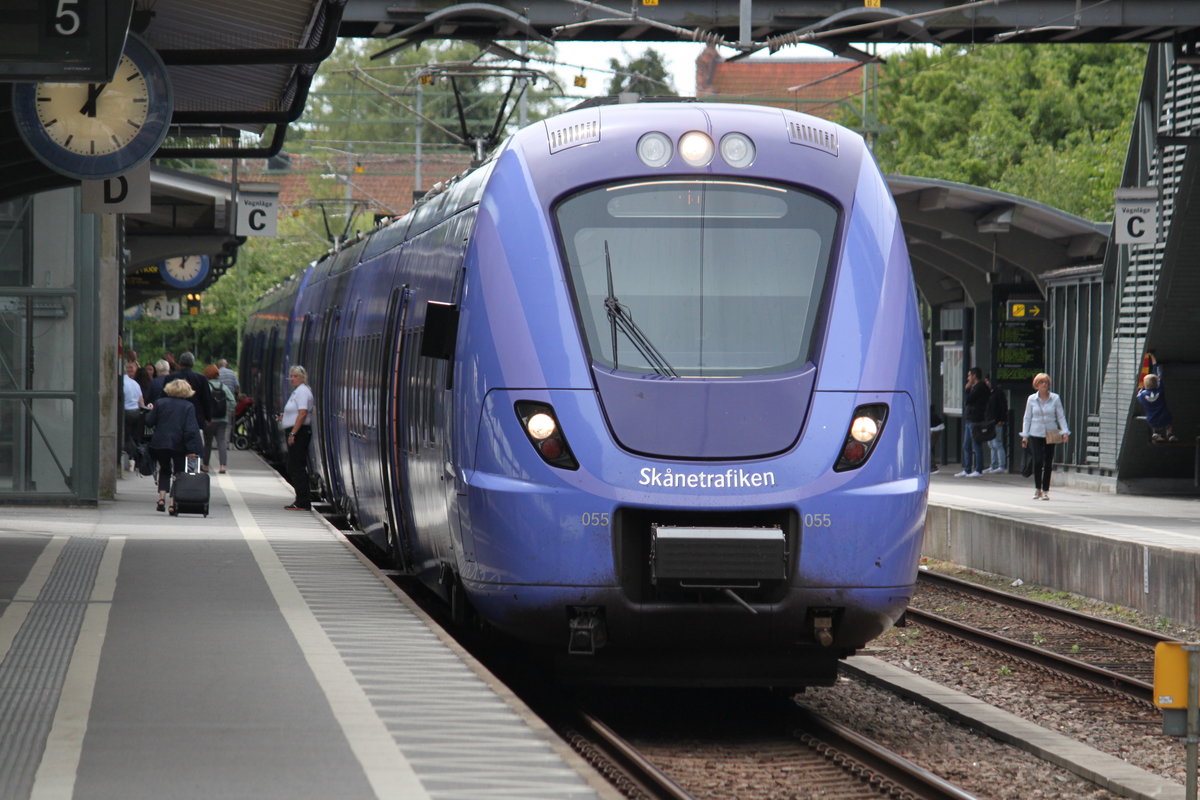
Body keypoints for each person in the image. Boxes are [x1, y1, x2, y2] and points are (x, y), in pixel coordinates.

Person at [145, 379, 204, 513]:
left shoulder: (160, 403)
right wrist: (191, 449)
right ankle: (172, 503)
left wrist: (150, 411)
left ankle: (161, 499)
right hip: (179, 444)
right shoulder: (188, 406)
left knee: (165, 470)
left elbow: (149, 422)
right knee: (178, 473)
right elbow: (190, 430)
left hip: (160, 443)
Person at [1020, 372, 1070, 501]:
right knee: (1037, 461)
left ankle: (1046, 490)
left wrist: (1065, 431)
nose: (1044, 385)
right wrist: (1025, 435)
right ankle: (1038, 489)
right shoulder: (1031, 399)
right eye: (1041, 383)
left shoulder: (1055, 398)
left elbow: (1060, 415)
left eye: (1046, 383)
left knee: (1048, 461)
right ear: (1036, 385)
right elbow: (1027, 417)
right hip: (1036, 433)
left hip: (1050, 433)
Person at [281, 365, 314, 510]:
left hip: (299, 433)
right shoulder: (298, 391)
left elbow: (303, 413)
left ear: (302, 377)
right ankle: (301, 499)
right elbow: (297, 412)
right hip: (297, 432)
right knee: (293, 466)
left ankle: (303, 501)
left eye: (295, 376)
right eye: (291, 376)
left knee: (296, 467)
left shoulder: (302, 392)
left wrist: (293, 433)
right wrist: (285, 416)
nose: (291, 379)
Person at [165, 351, 214, 429]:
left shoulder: (170, 377)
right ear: (193, 364)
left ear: (180, 363)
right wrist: (208, 417)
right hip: (196, 416)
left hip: (175, 416)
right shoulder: (201, 379)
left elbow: (164, 396)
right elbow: (206, 399)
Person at [1136, 353, 1177, 442]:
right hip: (1164, 416)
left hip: (1152, 419)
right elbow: (1157, 373)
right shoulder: (1160, 390)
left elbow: (1138, 393)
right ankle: (1170, 434)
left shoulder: (1142, 395)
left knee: (1153, 424)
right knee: (1169, 423)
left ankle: (1155, 434)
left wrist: (1142, 387)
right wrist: (1152, 356)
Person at [956, 367, 989, 477]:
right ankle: (967, 468)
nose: (968, 378)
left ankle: (978, 469)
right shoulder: (976, 387)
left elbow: (968, 400)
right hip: (970, 419)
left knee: (976, 444)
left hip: (976, 419)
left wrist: (967, 389)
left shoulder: (980, 387)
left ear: (974, 376)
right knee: (966, 445)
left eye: (969, 375)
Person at [202, 364, 235, 474]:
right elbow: (233, 402)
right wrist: (226, 411)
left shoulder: (206, 386)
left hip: (209, 420)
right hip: (222, 420)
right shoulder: (223, 387)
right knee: (221, 441)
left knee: (208, 443)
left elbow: (202, 402)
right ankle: (222, 466)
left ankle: (205, 465)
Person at [122, 360, 145, 472]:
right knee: (133, 435)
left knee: (126, 436)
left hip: (125, 412)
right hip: (136, 411)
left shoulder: (121, 383)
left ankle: (133, 454)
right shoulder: (135, 383)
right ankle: (135, 456)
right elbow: (141, 401)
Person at [983, 378, 1008, 473]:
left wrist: (1002, 419)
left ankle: (1001, 466)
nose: (986, 384)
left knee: (997, 442)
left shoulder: (998, 393)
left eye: (987, 381)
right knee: (991, 444)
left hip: (997, 421)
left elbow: (1003, 406)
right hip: (989, 421)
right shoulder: (989, 393)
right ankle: (993, 465)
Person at [930, 407, 945, 473]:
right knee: (930, 447)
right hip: (936, 427)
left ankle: (933, 467)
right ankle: (932, 467)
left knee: (928, 448)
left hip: (935, 428)